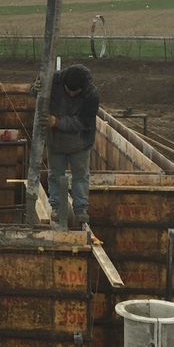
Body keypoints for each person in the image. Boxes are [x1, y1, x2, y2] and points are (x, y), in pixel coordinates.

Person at [43, 63, 100, 228]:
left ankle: (81, 209)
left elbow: (82, 122)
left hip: (80, 142)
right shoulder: (54, 81)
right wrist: (36, 87)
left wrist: (57, 122)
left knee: (81, 176)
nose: (70, 93)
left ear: (82, 89)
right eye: (68, 90)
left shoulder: (91, 96)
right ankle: (57, 207)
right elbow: (36, 93)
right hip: (56, 141)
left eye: (74, 92)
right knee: (55, 174)